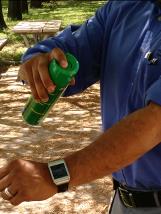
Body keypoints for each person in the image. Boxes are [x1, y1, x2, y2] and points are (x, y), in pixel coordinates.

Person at [1, 0, 161, 213]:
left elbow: (153, 125)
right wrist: (39, 63)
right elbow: (71, 47)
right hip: (123, 201)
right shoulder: (125, 7)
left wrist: (54, 176)